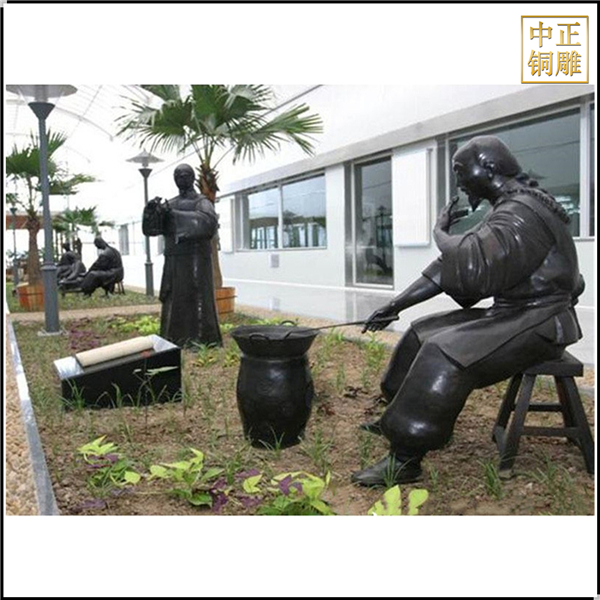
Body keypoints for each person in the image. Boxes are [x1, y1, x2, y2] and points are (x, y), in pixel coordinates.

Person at [351, 135, 584, 487]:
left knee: (443, 351)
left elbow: (471, 264)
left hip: (542, 322)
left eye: (461, 171)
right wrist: (394, 306)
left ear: (488, 167)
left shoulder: (521, 212)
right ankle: (397, 415)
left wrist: (439, 232)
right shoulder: (508, 208)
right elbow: (451, 264)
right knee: (420, 332)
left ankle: (406, 456)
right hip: (514, 314)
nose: (459, 181)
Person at [142, 163, 222, 348]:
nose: (181, 179)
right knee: (173, 300)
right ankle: (174, 339)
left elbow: (208, 223)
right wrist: (150, 212)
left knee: (197, 299)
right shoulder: (170, 203)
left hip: (195, 262)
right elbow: (152, 230)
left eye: (185, 175)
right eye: (177, 176)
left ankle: (201, 340)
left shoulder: (202, 202)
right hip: (173, 261)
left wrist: (175, 216)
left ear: (193, 177)